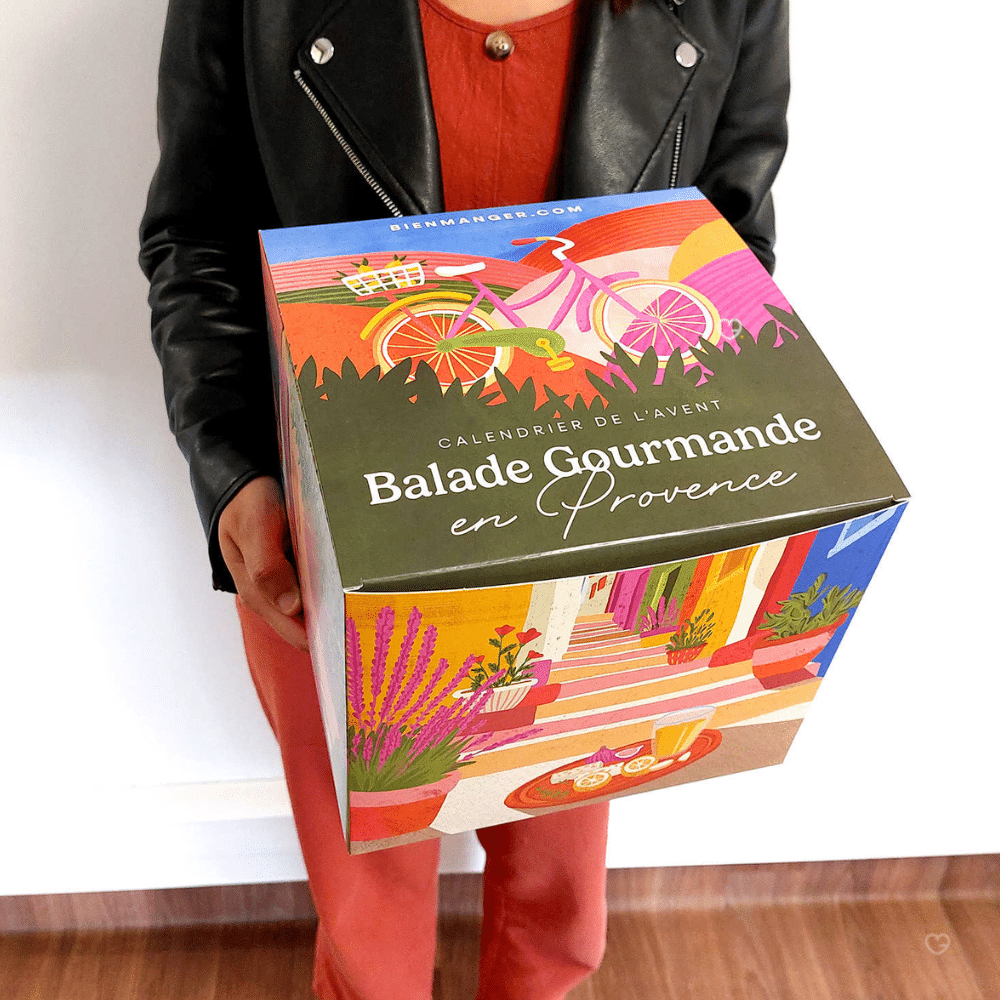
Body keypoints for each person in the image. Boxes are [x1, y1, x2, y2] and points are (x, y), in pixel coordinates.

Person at [140, 1, 789, 997]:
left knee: (559, 884)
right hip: (324, 520)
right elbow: (199, 237)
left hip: (590, 516)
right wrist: (234, 471)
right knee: (367, 905)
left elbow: (728, 245)